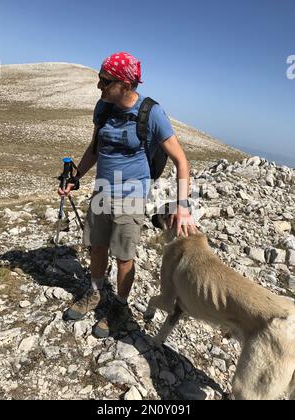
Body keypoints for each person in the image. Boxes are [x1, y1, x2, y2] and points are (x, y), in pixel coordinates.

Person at [59, 51, 196, 338]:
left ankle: (119, 306)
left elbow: (181, 161)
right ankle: (94, 293)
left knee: (124, 256)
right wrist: (76, 177)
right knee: (96, 246)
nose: (99, 86)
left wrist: (182, 206)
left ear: (125, 84)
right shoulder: (103, 107)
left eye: (105, 81)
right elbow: (95, 149)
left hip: (132, 193)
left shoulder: (151, 113)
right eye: (99, 79)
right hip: (102, 190)